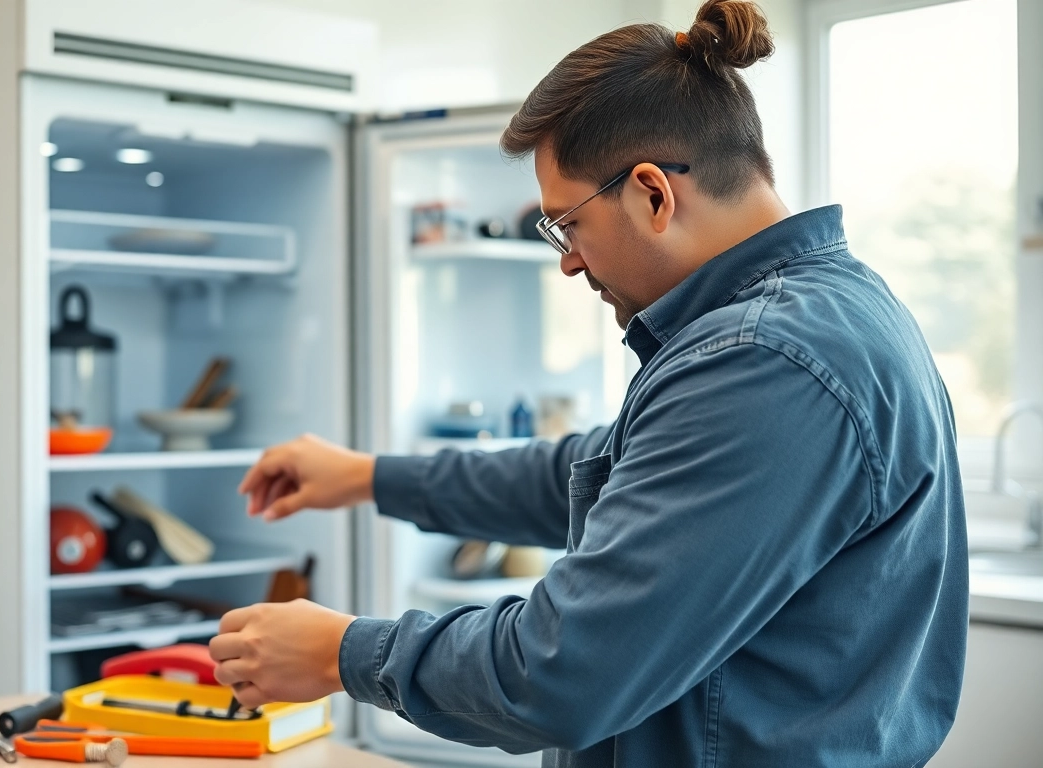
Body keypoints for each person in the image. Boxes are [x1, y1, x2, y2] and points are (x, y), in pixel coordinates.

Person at [207, 0, 968, 765]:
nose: (567, 261)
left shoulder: (761, 360)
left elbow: (562, 672)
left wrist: (345, 652)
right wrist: (370, 477)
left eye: (566, 225)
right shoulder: (820, 313)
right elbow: (595, 477)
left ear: (652, 193)